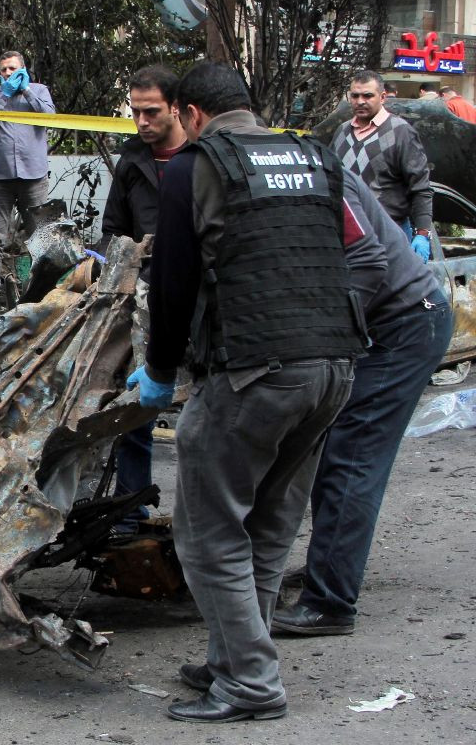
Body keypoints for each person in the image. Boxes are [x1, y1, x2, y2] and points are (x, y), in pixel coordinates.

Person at [130, 62, 365, 722]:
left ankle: (253, 684)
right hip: (334, 367)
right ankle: (232, 658)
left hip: (255, 371)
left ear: (190, 113)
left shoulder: (193, 167)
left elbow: (173, 285)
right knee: (266, 524)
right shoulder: (313, 156)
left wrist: (158, 370)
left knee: (207, 535)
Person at [272, 172, 453, 636]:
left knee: (350, 461)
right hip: (375, 325)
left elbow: (368, 260)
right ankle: (325, 570)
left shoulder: (313, 174)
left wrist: (324, 332)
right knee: (324, 452)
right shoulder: (278, 173)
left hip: (404, 325)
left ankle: (330, 603)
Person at [99, 64, 187, 531]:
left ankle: (204, 517)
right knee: (135, 406)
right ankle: (130, 506)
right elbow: (114, 230)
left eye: (151, 112)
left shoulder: (202, 156)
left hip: (195, 296)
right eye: (135, 112)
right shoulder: (133, 160)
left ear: (177, 108)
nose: (142, 122)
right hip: (146, 298)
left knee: (202, 409)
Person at [0, 50, 56, 312]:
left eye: (12, 69)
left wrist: (27, 92)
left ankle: (40, 292)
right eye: (4, 70)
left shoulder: (39, 91)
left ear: (23, 69)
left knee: (40, 237)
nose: (8, 74)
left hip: (34, 176)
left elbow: (50, 118)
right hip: (1, 177)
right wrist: (5, 94)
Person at [332, 71, 434, 263]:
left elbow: (420, 187)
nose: (360, 101)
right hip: (348, 235)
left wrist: (422, 233)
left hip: (389, 234)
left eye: (367, 95)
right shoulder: (342, 132)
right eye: (355, 96)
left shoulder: (401, 132)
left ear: (383, 97)